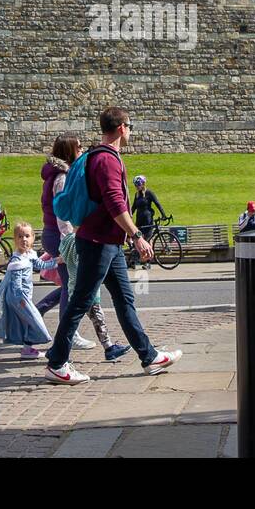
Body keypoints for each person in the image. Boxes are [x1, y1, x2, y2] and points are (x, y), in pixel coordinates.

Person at [44, 106, 182, 386]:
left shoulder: (97, 155)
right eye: (130, 126)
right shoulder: (107, 160)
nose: (130, 132)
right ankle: (57, 363)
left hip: (108, 242)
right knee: (80, 299)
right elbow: (115, 201)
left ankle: (149, 356)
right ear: (121, 127)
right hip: (98, 241)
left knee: (124, 299)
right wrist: (136, 236)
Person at [35, 136, 97, 351]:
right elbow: (63, 215)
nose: (82, 149)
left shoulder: (60, 174)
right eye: (79, 146)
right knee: (70, 286)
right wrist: (69, 243)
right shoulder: (61, 177)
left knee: (68, 283)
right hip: (60, 236)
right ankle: (68, 335)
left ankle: (38, 311)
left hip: (54, 235)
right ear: (70, 150)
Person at [0, 222, 60, 360]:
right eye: (20, 236)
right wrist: (22, 301)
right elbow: (16, 285)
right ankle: (26, 347)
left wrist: (57, 261)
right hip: (18, 298)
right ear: (15, 239)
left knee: (12, 322)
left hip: (21, 297)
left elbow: (40, 264)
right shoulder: (17, 259)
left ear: (33, 238)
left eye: (27, 236)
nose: (24, 239)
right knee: (34, 321)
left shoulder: (30, 254)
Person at [59, 225, 131, 361]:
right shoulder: (83, 244)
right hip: (89, 290)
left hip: (73, 286)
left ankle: (58, 350)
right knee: (94, 320)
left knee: (72, 321)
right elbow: (88, 264)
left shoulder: (67, 240)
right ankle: (108, 348)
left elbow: (62, 256)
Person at [130, 174, 168, 241]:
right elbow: (133, 207)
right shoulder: (137, 195)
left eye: (138, 184)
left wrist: (163, 215)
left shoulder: (149, 193)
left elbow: (157, 203)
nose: (137, 186)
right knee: (138, 239)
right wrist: (128, 216)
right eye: (135, 185)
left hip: (148, 220)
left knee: (148, 239)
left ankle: (149, 251)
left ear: (143, 184)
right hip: (139, 219)